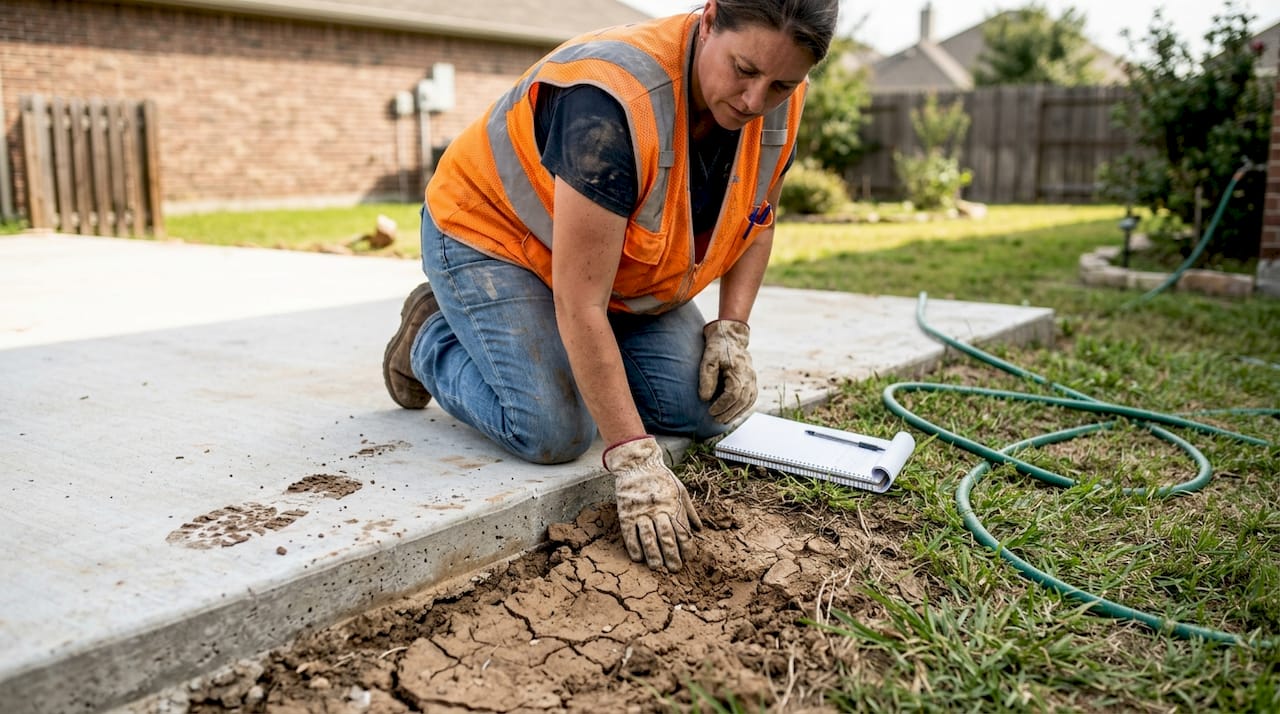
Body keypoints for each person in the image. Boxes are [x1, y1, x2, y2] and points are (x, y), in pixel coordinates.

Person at [383, 0, 838, 573]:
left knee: (705, 408)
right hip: (492, 237)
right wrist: (633, 460)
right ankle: (432, 334)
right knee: (553, 429)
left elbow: (759, 215)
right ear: (709, 19)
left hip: (614, 271)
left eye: (780, 85)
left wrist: (732, 329)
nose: (754, 101)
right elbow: (579, 301)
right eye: (744, 71)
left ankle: (542, 345)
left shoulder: (780, 97)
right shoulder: (610, 100)